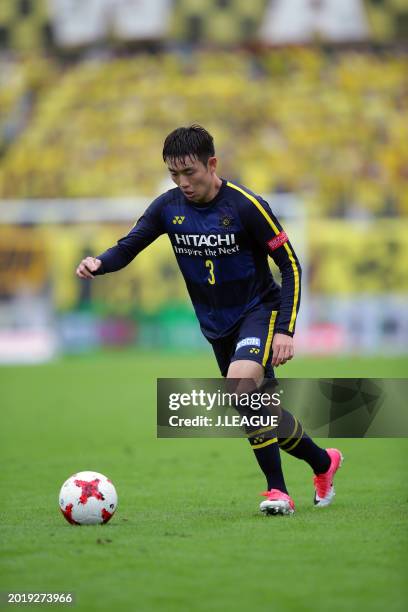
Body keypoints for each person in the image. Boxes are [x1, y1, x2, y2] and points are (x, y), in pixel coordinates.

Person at [76, 124, 343, 515]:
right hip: (216, 325)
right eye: (174, 174)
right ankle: (323, 462)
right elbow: (129, 246)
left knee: (241, 390)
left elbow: (291, 267)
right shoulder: (168, 208)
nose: (182, 182)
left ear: (212, 163)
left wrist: (285, 329)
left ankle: (277, 492)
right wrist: (99, 263)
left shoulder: (246, 206)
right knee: (261, 409)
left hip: (258, 311)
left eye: (190, 173)